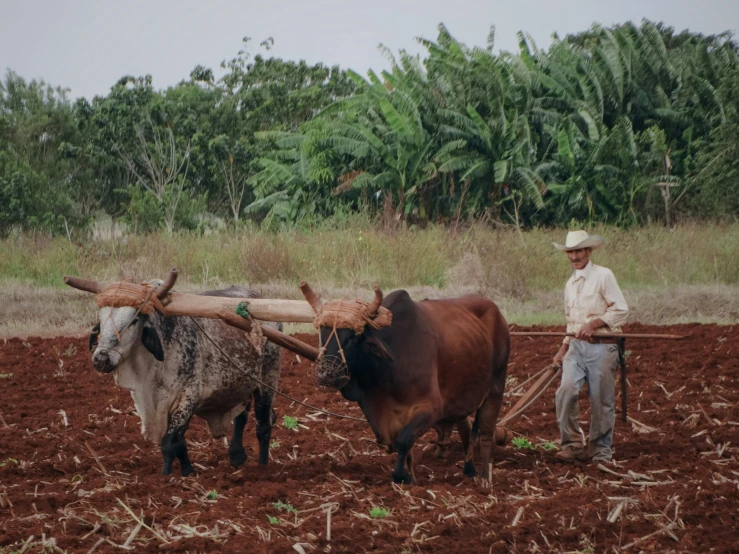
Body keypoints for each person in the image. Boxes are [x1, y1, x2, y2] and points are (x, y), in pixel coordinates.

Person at [551, 231, 629, 463]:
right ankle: (572, 445)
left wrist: (594, 324)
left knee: (601, 399)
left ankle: (600, 450)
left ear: (588, 251)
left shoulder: (604, 275)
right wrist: (563, 347)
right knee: (565, 391)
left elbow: (621, 309)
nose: (574, 256)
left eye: (578, 251)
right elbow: (571, 321)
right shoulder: (569, 284)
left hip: (603, 345)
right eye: (570, 252)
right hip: (576, 346)